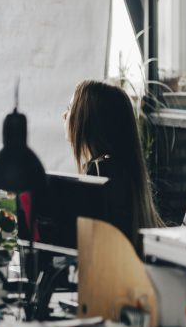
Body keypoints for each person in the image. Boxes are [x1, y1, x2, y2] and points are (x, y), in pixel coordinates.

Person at [64, 79, 163, 252]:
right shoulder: (119, 167)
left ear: (87, 120)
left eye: (70, 109)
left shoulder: (100, 174)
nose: (64, 116)